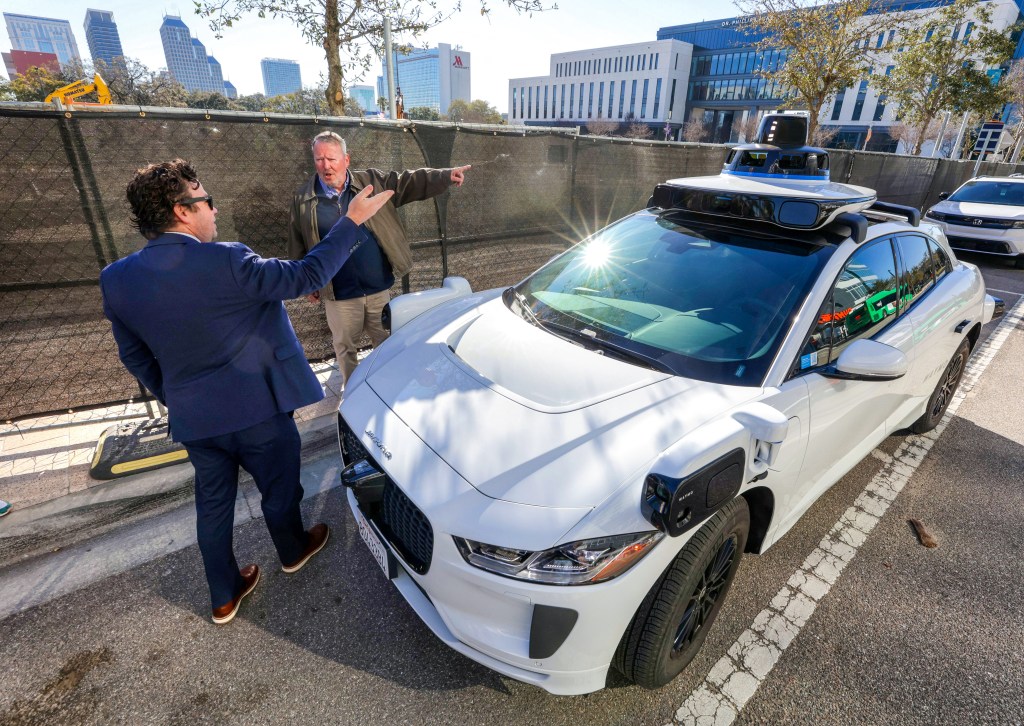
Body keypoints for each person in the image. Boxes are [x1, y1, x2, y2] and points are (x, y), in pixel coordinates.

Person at [100, 159, 393, 625]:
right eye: (206, 201)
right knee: (279, 489)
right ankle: (293, 550)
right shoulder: (230, 259)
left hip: (196, 420)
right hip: (259, 412)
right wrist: (351, 220)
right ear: (182, 210)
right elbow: (305, 277)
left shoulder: (116, 279)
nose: (213, 211)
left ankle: (223, 595)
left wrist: (176, 394)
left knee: (212, 506)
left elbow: (134, 357)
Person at [288, 131, 471, 389]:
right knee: (344, 348)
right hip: (339, 294)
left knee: (386, 343)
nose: (325, 166)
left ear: (346, 159)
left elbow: (407, 181)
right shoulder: (304, 198)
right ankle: (352, 392)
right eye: (319, 159)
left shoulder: (371, 182)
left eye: (331, 158)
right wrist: (306, 282)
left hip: (378, 288)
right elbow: (297, 242)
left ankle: (388, 388)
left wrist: (443, 176)